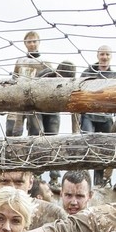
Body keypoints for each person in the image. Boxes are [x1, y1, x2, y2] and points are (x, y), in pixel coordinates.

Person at [80, 45, 116, 187]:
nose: (104, 57)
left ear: (111, 56)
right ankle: (83, 180)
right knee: (87, 144)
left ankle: (100, 182)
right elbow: (79, 91)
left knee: (105, 147)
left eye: (107, 54)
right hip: (89, 115)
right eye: (102, 54)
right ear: (97, 55)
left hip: (106, 117)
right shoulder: (87, 73)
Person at [33, 60, 76, 191]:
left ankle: (54, 178)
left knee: (53, 140)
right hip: (37, 109)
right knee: (37, 138)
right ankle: (36, 175)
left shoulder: (72, 83)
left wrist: (75, 131)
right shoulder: (44, 76)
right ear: (56, 73)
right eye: (60, 77)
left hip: (53, 110)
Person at [7, 31, 53, 137]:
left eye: (34, 41)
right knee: (13, 129)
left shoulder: (44, 62)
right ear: (25, 44)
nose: (32, 44)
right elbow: (14, 77)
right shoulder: (20, 61)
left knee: (35, 129)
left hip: (35, 100)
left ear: (39, 42)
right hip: (18, 97)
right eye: (29, 42)